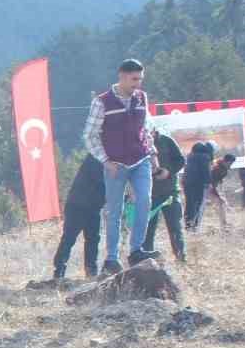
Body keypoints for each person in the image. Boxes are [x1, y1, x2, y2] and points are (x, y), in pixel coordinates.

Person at [84, 58, 156, 275]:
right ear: (122, 77)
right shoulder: (102, 102)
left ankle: (136, 250)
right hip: (115, 164)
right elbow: (90, 136)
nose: (138, 84)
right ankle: (112, 258)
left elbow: (146, 128)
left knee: (144, 200)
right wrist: (106, 161)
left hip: (140, 159)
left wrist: (152, 152)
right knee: (115, 210)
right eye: (134, 79)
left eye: (140, 79)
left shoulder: (141, 98)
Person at [52, 155, 105, 280]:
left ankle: (91, 272)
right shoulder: (95, 157)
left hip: (93, 206)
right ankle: (59, 272)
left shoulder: (106, 158)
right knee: (69, 238)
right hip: (77, 204)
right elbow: (102, 181)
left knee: (93, 239)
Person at [140, 127, 186, 264]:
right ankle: (148, 261)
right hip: (149, 194)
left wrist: (168, 171)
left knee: (175, 226)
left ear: (154, 129)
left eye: (150, 130)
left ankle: (180, 258)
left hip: (170, 192)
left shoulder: (167, 141)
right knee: (147, 230)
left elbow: (180, 161)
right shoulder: (138, 142)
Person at [182, 141, 215, 230]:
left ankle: (188, 224)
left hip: (187, 182)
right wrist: (209, 183)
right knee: (197, 204)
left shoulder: (190, 156)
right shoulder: (205, 157)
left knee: (189, 203)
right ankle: (195, 225)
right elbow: (206, 171)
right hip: (198, 183)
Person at [206, 153, 236, 229]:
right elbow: (212, 182)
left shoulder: (223, 169)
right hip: (205, 187)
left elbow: (218, 182)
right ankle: (223, 223)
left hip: (211, 187)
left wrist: (221, 194)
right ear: (226, 161)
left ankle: (224, 223)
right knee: (220, 203)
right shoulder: (216, 168)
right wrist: (217, 195)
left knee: (221, 203)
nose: (231, 165)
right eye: (230, 163)